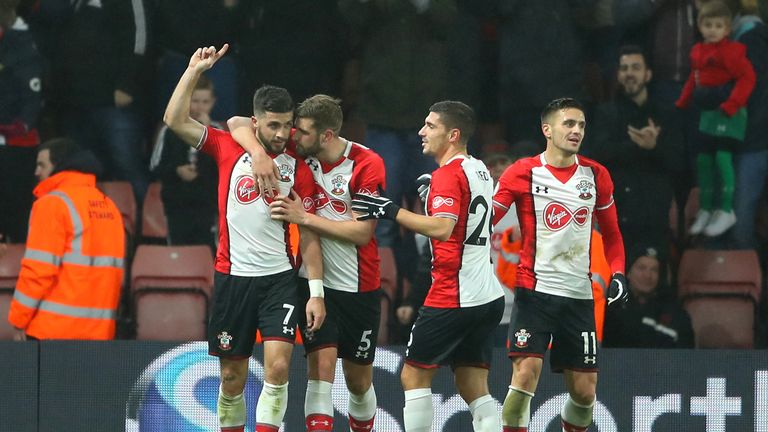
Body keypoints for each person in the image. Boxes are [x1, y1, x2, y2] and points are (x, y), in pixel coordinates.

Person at [163, 44, 326, 432]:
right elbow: (174, 120)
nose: (282, 133)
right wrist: (192, 72)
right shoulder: (227, 147)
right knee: (232, 379)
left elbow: (310, 234)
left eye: (286, 125)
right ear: (256, 123)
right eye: (273, 125)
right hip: (233, 279)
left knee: (280, 366)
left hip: (279, 282)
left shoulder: (298, 167)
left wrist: (316, 292)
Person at [229, 95, 385, 431]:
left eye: (301, 132)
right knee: (321, 373)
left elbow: (362, 233)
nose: (291, 137)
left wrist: (306, 218)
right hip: (315, 283)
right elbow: (237, 123)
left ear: (326, 136)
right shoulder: (301, 157)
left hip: (361, 285)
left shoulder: (367, 164)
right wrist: (257, 152)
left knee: (358, 383)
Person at [352, 101, 505, 432]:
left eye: (430, 126)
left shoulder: (448, 175)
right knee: (473, 386)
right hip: (487, 294)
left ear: (452, 134)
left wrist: (390, 210)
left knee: (413, 375)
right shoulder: (479, 169)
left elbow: (443, 228)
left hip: (454, 293)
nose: (421, 131)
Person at [491, 98, 627, 432]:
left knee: (584, 393)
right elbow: (486, 218)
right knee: (525, 377)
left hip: (578, 297)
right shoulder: (521, 172)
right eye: (569, 123)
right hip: (533, 292)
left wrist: (619, 271)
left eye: (581, 124)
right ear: (547, 129)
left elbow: (612, 234)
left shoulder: (596, 175)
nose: (576, 130)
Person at [7, 138, 124, 340]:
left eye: (42, 165)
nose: (36, 172)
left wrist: (18, 320)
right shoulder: (109, 206)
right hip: (99, 334)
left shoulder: (52, 204)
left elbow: (38, 271)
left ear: (60, 166)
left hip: (53, 332)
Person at [586, 45, 685, 258]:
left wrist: (653, 148)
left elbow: (679, 161)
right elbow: (599, 154)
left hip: (655, 215)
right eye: (624, 68)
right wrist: (637, 147)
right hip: (619, 213)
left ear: (647, 74)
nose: (629, 73)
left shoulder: (665, 114)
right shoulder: (607, 113)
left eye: (636, 67)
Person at [677, 0, 756, 237]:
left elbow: (748, 78)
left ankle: (726, 209)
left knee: (722, 157)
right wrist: (684, 100)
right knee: (703, 160)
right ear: (700, 26)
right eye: (708, 24)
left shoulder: (732, 53)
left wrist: (733, 103)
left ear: (727, 29)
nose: (712, 29)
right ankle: (707, 208)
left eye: (718, 25)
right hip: (708, 113)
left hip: (729, 113)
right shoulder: (699, 51)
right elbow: (695, 76)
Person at [150, 74, 219, 251]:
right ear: (187, 101)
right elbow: (154, 168)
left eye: (205, 102)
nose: (199, 107)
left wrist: (208, 134)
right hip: (176, 206)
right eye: (195, 101)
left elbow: (224, 169)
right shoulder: (170, 130)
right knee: (179, 252)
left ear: (213, 102)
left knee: (207, 252)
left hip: (207, 206)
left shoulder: (218, 132)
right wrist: (176, 171)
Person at [0, 0, 43, 244]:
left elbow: (30, 95)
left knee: (16, 210)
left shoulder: (21, 45)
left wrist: (21, 124)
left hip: (15, 144)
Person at [603, 245, 694, 348]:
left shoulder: (676, 314)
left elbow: (686, 357)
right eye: (641, 268)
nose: (647, 275)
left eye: (654, 270)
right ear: (628, 273)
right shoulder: (611, 309)